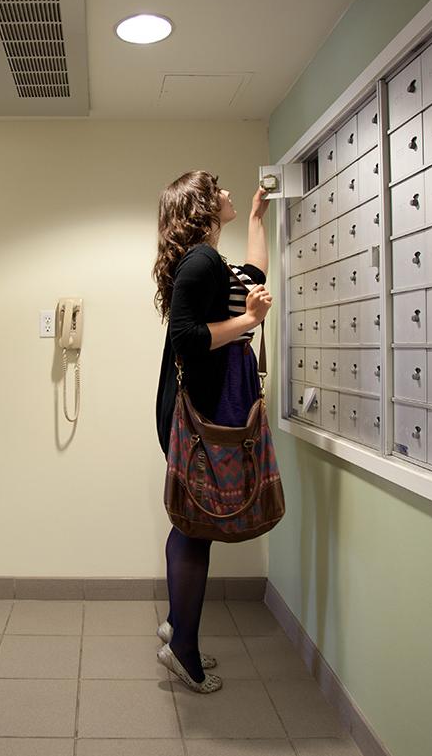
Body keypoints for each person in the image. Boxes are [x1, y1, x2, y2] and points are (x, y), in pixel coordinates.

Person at [152, 171, 272, 694]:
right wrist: (248, 323)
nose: (227, 191)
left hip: (204, 405)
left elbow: (252, 275)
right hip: (196, 409)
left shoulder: (212, 261)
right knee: (198, 525)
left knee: (190, 523)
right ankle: (184, 652)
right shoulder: (200, 260)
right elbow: (186, 337)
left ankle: (177, 626)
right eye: (219, 189)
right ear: (201, 203)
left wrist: (254, 218)